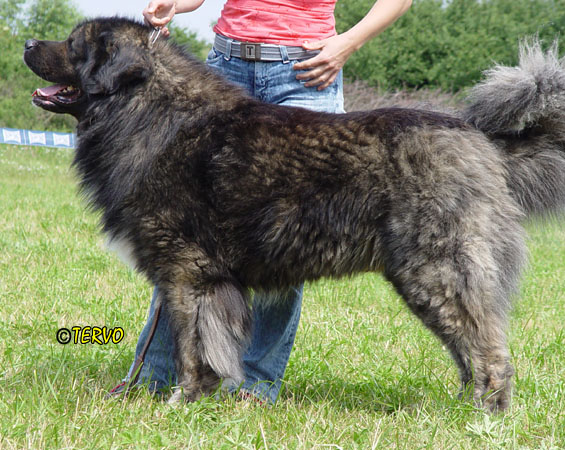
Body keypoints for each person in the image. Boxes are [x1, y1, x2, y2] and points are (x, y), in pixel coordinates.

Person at [107, 0, 412, 404]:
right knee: (179, 238)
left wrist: (348, 43)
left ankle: (255, 385)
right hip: (226, 66)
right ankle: (152, 375)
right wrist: (176, 4)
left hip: (305, 72)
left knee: (288, 242)